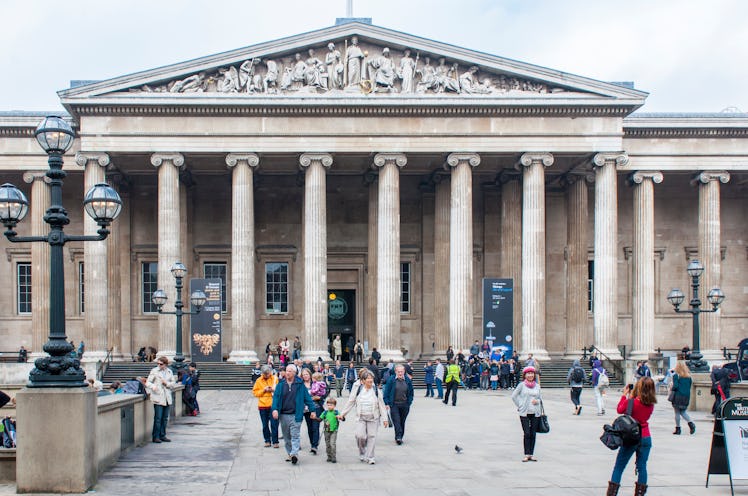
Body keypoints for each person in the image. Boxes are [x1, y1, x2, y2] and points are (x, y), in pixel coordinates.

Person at [607, 377, 657, 496]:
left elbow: (620, 409)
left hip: (631, 437)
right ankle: (640, 494)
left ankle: (612, 493)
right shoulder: (651, 404)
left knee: (619, 467)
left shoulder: (632, 402)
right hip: (645, 436)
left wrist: (625, 396)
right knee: (642, 467)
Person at [338, 369, 389, 464]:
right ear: (363, 381)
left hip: (373, 417)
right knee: (360, 436)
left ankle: (370, 457)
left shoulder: (376, 390)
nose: (371, 381)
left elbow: (381, 405)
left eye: (372, 380)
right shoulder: (358, 389)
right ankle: (362, 451)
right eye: (368, 380)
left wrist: (385, 419)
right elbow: (351, 401)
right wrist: (342, 414)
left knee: (372, 436)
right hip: (361, 417)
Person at [271, 365, 317, 465]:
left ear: (295, 373)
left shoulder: (300, 384)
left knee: (295, 435)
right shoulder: (281, 384)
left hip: (296, 415)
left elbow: (307, 398)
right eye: (287, 371)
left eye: (290, 371)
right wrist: (274, 409)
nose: (287, 373)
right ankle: (290, 453)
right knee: (287, 437)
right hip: (283, 415)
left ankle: (294, 454)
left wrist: (313, 410)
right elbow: (276, 398)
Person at [511, 366, 543, 462]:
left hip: (535, 412)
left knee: (533, 433)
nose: (530, 375)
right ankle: (526, 454)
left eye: (532, 373)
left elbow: (540, 398)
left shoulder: (537, 386)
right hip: (524, 412)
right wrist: (520, 405)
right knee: (527, 433)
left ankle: (531, 454)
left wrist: (536, 401)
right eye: (528, 373)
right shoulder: (521, 385)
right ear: (525, 375)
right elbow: (514, 396)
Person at [146, 356, 176, 443]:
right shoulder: (154, 371)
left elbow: (173, 383)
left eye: (161, 364)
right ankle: (156, 436)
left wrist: (166, 383)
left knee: (165, 418)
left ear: (165, 364)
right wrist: (154, 386)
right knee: (158, 418)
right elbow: (148, 382)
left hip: (167, 397)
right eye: (158, 363)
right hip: (158, 397)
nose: (159, 365)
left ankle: (163, 435)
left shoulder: (169, 371)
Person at [383, 364, 414, 445]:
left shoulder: (407, 380)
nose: (400, 373)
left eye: (401, 371)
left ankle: (400, 436)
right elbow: (386, 392)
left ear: (404, 371)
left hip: (405, 405)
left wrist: (409, 402)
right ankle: (398, 437)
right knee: (396, 421)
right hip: (394, 405)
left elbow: (411, 392)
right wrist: (386, 403)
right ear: (395, 372)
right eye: (398, 371)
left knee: (402, 422)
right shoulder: (391, 380)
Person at [253, 365, 280, 448]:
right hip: (263, 405)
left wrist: (272, 390)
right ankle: (267, 440)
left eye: (268, 374)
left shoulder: (275, 379)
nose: (267, 375)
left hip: (273, 405)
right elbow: (255, 393)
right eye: (265, 374)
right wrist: (264, 390)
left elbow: (280, 391)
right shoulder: (258, 380)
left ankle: (275, 441)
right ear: (262, 373)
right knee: (265, 425)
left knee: (274, 424)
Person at [299, 369, 323, 455]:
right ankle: (312, 443)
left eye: (306, 374)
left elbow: (324, 391)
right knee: (310, 427)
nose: (305, 376)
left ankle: (314, 446)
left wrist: (320, 398)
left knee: (315, 426)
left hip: (316, 407)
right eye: (303, 374)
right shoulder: (300, 385)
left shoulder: (315, 382)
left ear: (310, 374)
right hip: (306, 409)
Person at [670, 360, 695, 435]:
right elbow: (690, 386)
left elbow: (675, 386)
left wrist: (672, 388)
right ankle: (691, 423)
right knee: (683, 411)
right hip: (686, 396)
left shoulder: (676, 375)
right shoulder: (688, 376)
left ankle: (678, 429)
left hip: (678, 395)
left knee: (677, 412)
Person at [318, 397, 340, 463]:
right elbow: (320, 419)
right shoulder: (325, 413)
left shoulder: (336, 412)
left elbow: (343, 418)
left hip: (334, 430)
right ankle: (329, 456)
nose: (329, 406)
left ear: (334, 406)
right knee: (327, 444)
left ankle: (333, 457)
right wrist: (314, 418)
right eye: (328, 405)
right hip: (326, 431)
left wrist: (341, 417)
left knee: (332, 443)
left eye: (331, 405)